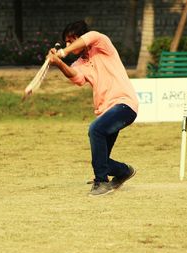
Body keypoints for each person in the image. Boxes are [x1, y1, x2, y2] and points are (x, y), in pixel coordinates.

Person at [46, 20, 139, 196]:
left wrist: (63, 52)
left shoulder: (102, 45)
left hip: (124, 104)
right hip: (106, 111)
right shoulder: (79, 63)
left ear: (79, 38)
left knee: (95, 129)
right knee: (101, 159)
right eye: (65, 42)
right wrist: (58, 62)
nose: (68, 45)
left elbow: (92, 36)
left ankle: (101, 182)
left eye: (71, 40)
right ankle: (123, 171)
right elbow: (76, 78)